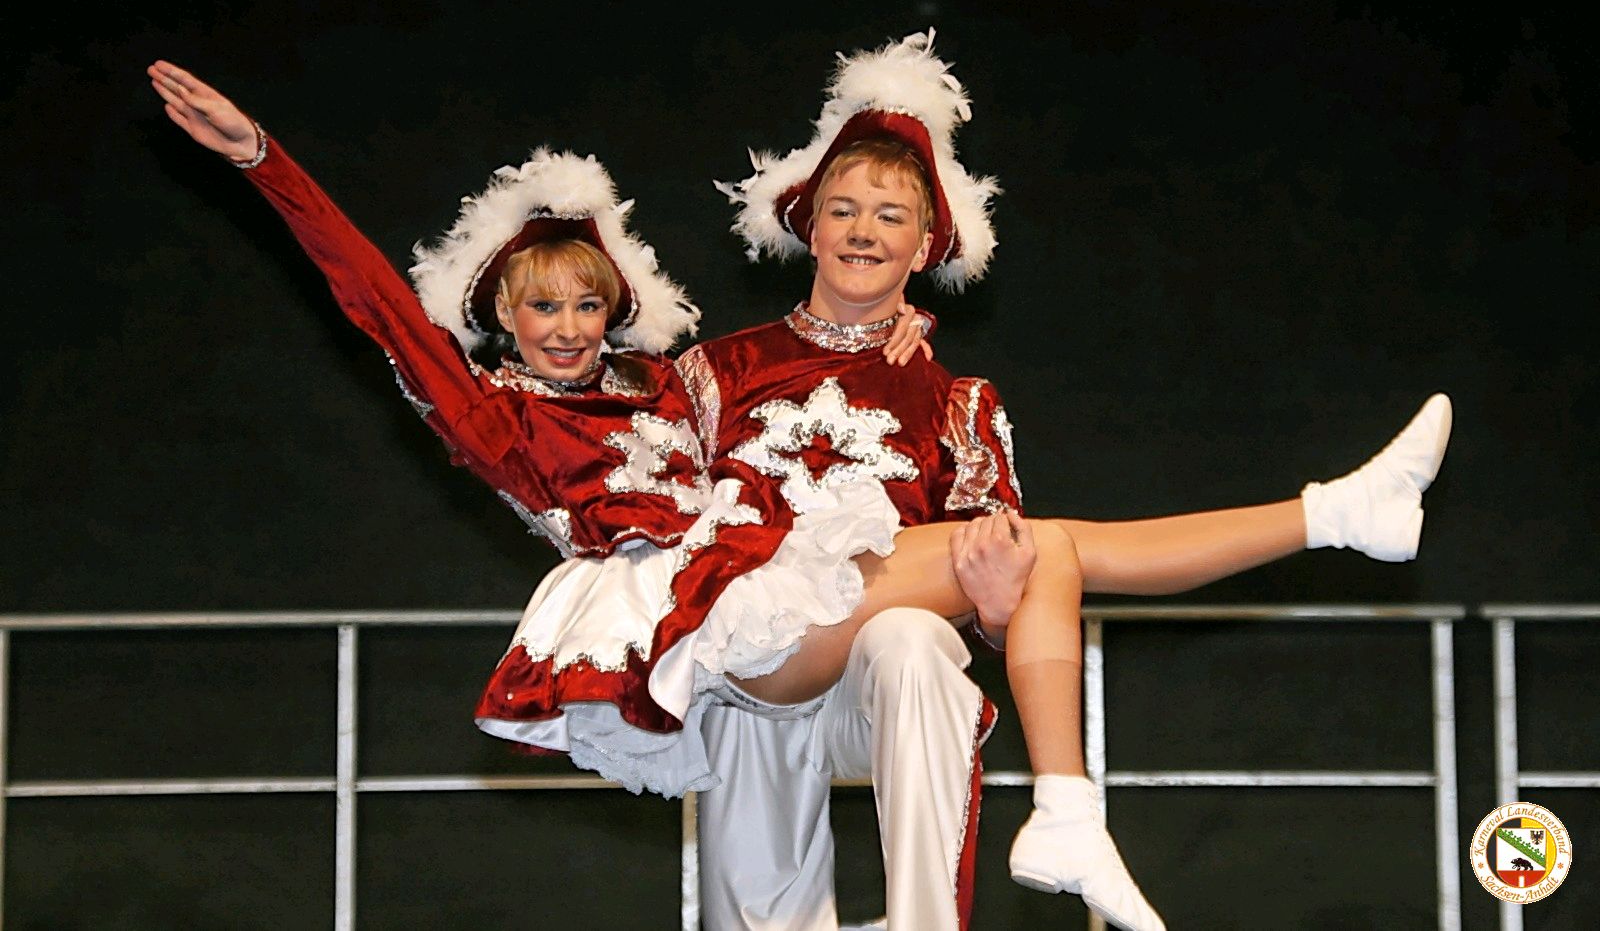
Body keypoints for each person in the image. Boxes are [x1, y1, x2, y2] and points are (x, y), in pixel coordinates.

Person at [149, 50, 1448, 931]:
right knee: (1054, 544)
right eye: (537, 307)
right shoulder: (577, 402)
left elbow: (980, 570)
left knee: (1006, 574)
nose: (564, 327)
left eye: (586, 304)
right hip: (727, 636)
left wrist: (935, 455)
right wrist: (265, 158)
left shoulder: (686, 390)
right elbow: (385, 311)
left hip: (835, 635)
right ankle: (1310, 540)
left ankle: (1091, 776)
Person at [685, 31, 1451, 931]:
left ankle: (958, 898)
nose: (863, 230)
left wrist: (995, 604)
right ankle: (1329, 516)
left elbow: (1005, 598)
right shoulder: (713, 373)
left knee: (920, 632)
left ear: (925, 244)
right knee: (1049, 542)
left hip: (872, 690)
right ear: (807, 225)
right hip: (749, 673)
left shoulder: (955, 398)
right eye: (843, 210)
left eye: (890, 216)